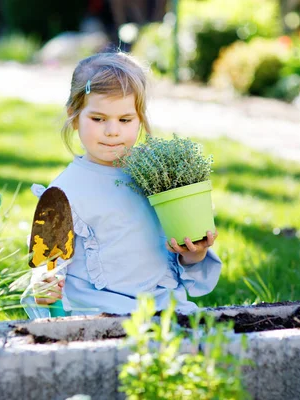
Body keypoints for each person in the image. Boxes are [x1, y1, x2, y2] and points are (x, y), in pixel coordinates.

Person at [21, 51, 221, 318]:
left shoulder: (157, 178)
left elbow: (174, 257)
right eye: (98, 119)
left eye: (125, 120)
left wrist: (193, 254)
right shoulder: (65, 192)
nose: (112, 131)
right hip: (101, 311)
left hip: (164, 304)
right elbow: (46, 267)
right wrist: (44, 284)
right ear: (74, 115)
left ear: (140, 118)